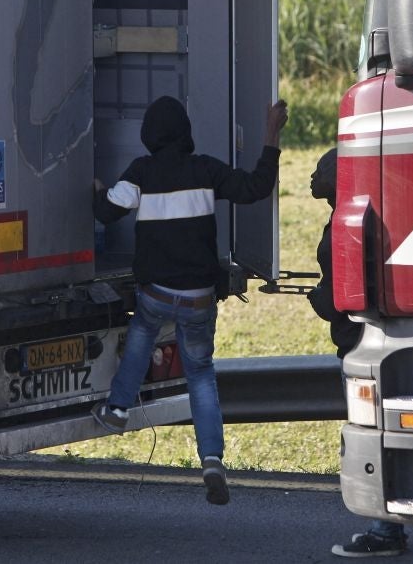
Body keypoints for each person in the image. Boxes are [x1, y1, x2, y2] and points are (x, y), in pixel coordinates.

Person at [91, 94, 288, 506]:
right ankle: (212, 458)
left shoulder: (141, 172)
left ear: (148, 135)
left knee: (142, 334)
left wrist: (96, 191)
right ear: (185, 133)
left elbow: (108, 212)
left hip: (157, 294)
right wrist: (271, 134)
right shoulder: (206, 169)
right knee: (200, 374)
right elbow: (256, 187)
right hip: (199, 298)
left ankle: (118, 409)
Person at [307, 148, 409, 558]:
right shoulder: (375, 215)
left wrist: (316, 299)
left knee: (371, 434)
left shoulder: (340, 228)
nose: (314, 180)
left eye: (321, 174)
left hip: (357, 345)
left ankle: (384, 532)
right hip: (379, 339)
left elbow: (340, 300)